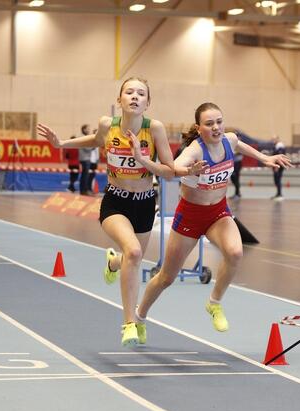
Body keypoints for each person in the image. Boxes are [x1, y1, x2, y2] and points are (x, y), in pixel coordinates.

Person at [37, 77, 207, 347]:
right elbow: (95, 140)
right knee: (136, 252)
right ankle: (129, 323)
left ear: (148, 103)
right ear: (120, 100)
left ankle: (113, 263)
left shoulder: (156, 130)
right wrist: (61, 144)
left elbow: (169, 172)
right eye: (129, 92)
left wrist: (142, 159)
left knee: (129, 257)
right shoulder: (109, 124)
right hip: (115, 201)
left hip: (144, 203)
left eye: (141, 94)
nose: (135, 97)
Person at [136, 102, 292, 338]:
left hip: (218, 212)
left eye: (219, 121)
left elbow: (240, 145)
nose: (216, 127)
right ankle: (139, 317)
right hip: (190, 216)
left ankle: (214, 302)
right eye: (209, 124)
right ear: (199, 129)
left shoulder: (229, 140)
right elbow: (170, 170)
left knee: (235, 253)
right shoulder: (194, 152)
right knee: (166, 278)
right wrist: (188, 171)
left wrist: (264, 158)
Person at [78, 124, 99, 195]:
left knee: (85, 175)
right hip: (85, 158)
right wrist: (94, 146)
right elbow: (86, 148)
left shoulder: (85, 137)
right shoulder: (83, 138)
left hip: (86, 158)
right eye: (87, 129)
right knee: (85, 175)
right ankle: (84, 190)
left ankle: (84, 190)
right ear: (84, 130)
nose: (89, 130)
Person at [271, 136, 286, 201]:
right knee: (276, 180)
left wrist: (277, 166)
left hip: (278, 166)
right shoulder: (276, 146)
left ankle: (280, 194)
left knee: (278, 180)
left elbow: (280, 158)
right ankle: (278, 194)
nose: (273, 140)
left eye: (274, 139)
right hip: (276, 166)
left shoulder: (280, 146)